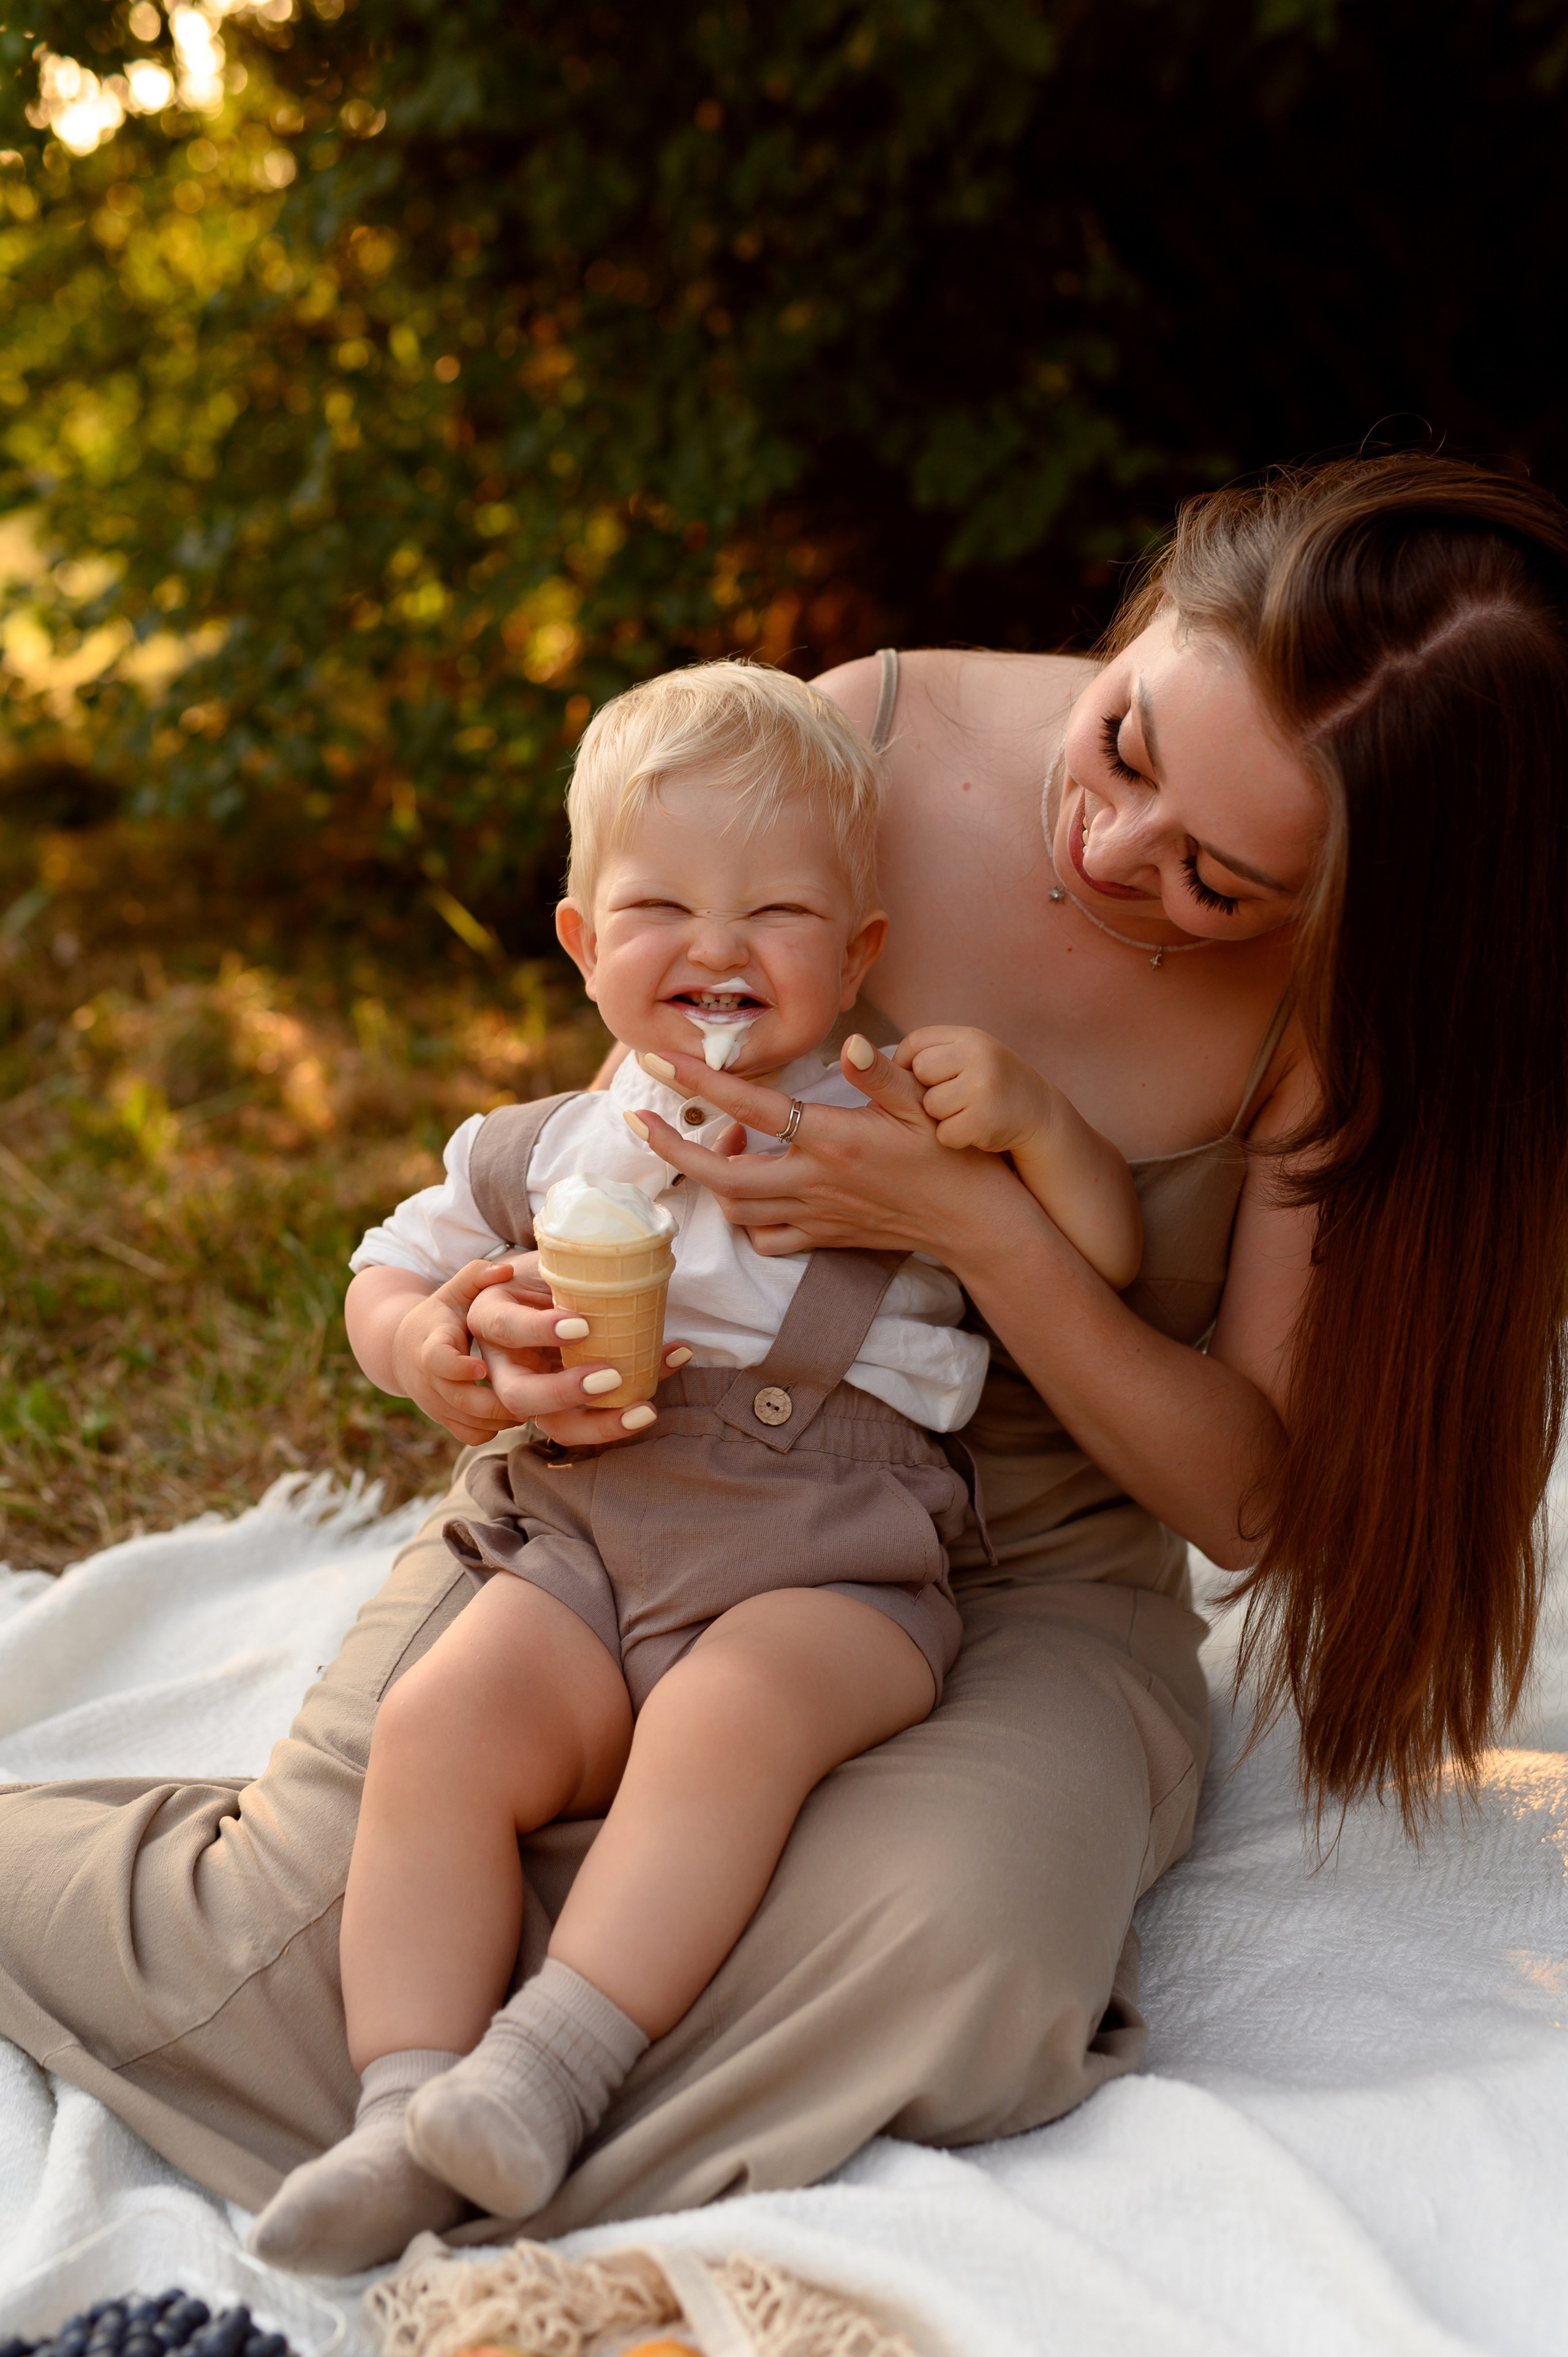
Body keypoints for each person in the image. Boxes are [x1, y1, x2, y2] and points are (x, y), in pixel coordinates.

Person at [2, 453, 1564, 2246]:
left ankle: (525, 2085)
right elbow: (622, 1146)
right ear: (1144, 627)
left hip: (1019, 1578)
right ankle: (450, 2088)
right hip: (645, 1481)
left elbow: (1249, 1503)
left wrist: (978, 1225)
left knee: (961, 1951)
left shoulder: (1341, 1022)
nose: (1114, 853)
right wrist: (474, 1341)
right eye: (1128, 747)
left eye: (1219, 879)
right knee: (281, 1921)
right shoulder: (858, 738)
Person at [247, 660, 1142, 2272]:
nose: (720, 949)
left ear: (858, 954)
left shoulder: (897, 1118)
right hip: (591, 1543)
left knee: (728, 1721)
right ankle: (404, 2110)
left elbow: (1106, 1259)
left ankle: (546, 2072)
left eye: (780, 915)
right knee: (443, 1725)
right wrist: (434, 1349)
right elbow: (385, 1277)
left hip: (835, 1564)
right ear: (586, 944)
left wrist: (1042, 1135)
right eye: (663, 905)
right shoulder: (537, 1146)